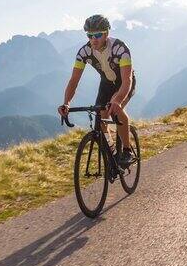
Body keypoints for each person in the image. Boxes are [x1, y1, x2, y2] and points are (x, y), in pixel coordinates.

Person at [58, 14, 136, 165]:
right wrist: (66, 102)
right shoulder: (84, 52)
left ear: (106, 33)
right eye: (90, 35)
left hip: (124, 83)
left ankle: (127, 151)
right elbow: (74, 80)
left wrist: (118, 101)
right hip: (106, 84)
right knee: (100, 118)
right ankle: (112, 151)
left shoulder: (120, 48)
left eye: (98, 35)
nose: (94, 39)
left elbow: (127, 80)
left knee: (115, 110)